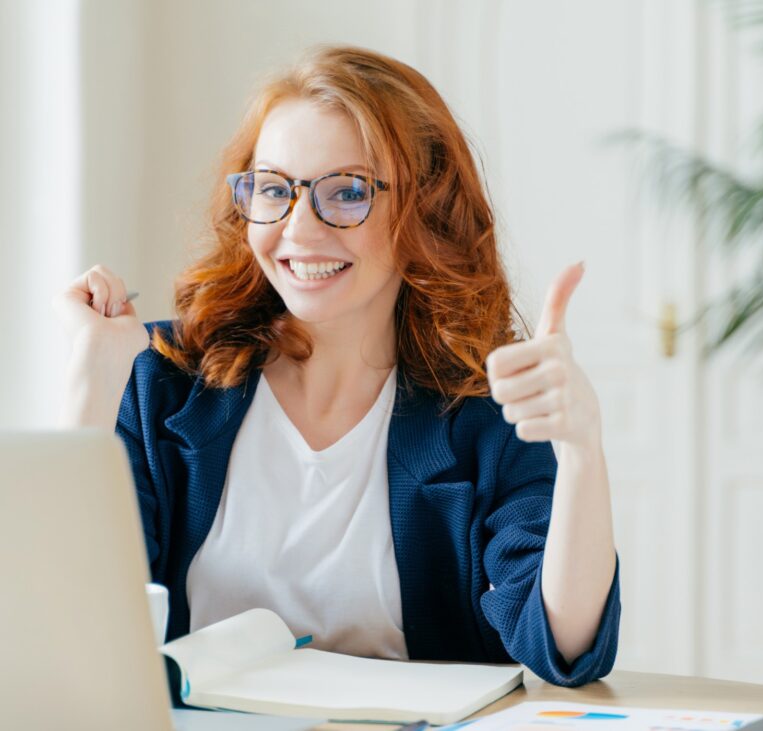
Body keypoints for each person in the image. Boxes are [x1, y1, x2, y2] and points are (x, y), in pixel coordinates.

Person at [53, 46, 619, 704]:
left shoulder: (481, 411)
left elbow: (566, 645)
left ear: (424, 208)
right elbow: (67, 617)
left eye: (346, 192)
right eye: (273, 188)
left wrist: (581, 449)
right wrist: (92, 387)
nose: (299, 228)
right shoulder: (161, 377)